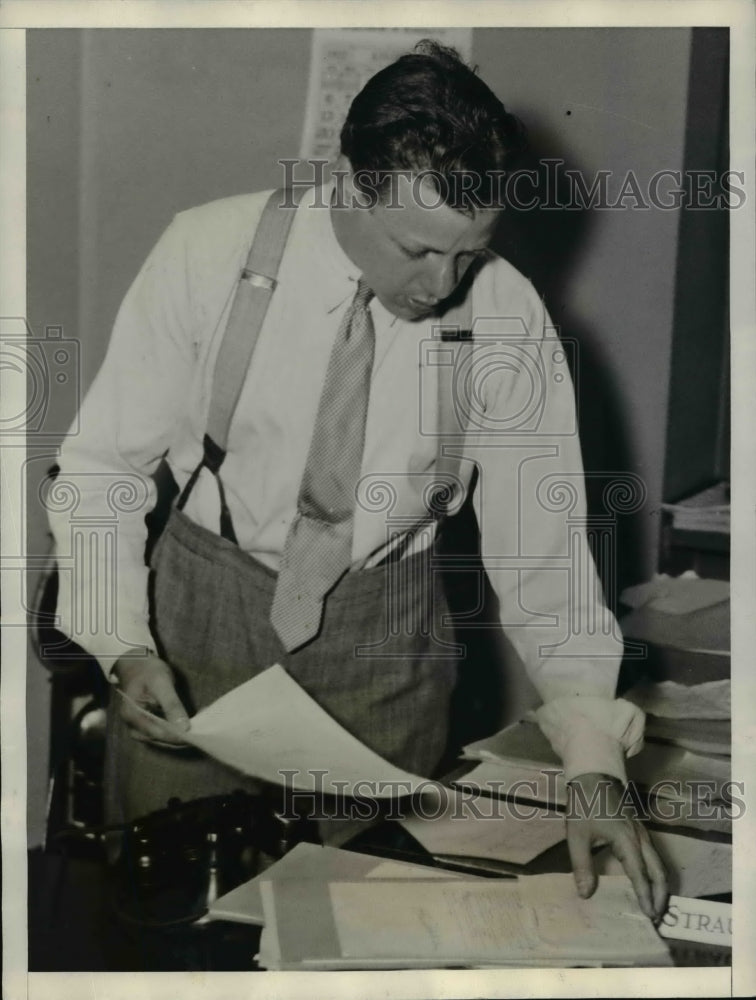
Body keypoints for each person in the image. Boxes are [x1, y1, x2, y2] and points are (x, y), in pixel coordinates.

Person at [50, 41, 667, 920]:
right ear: (347, 182)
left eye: (468, 252)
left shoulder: (504, 312)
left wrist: (594, 760)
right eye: (420, 250)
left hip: (387, 671)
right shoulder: (209, 250)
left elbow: (549, 557)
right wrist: (123, 644)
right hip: (189, 661)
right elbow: (104, 464)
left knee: (364, 932)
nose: (441, 285)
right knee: (170, 927)